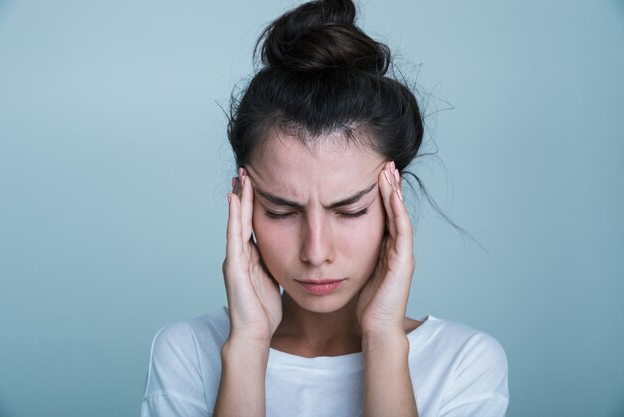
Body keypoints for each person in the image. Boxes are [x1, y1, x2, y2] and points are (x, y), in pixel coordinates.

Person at [141, 0, 509, 416]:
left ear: (394, 201)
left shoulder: (462, 363)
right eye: (281, 211)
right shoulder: (188, 352)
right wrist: (247, 345)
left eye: (350, 210)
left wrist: (384, 339)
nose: (316, 252)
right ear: (244, 205)